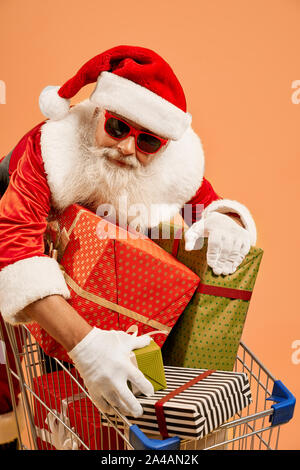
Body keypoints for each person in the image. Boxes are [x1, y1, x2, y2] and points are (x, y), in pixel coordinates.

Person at [0, 45, 257, 446]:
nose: (125, 148)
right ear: (99, 111)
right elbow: (16, 252)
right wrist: (86, 346)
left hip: (83, 268)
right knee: (9, 379)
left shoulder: (174, 168)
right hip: (12, 230)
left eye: (147, 142)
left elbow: (206, 203)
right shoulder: (51, 147)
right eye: (118, 128)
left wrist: (227, 220)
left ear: (165, 147)